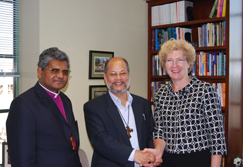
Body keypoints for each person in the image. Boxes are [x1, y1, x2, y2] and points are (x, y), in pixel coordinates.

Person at [143, 39, 227, 167]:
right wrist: (158, 152)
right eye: (169, 60)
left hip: (199, 161)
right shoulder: (160, 93)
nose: (174, 65)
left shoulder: (205, 90)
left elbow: (217, 137)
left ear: (189, 63)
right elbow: (160, 131)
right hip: (168, 161)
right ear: (164, 65)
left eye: (180, 60)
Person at [6, 47, 82, 167]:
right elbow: (22, 158)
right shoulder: (23, 104)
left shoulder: (66, 100)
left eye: (65, 72)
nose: (61, 76)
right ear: (40, 72)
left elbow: (71, 144)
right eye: (54, 70)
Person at [84, 57, 155, 167]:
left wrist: (152, 156)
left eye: (122, 73)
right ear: (105, 77)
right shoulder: (93, 107)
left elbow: (151, 135)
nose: (118, 78)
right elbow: (100, 141)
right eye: (113, 74)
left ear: (128, 75)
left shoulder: (143, 104)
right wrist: (134, 155)